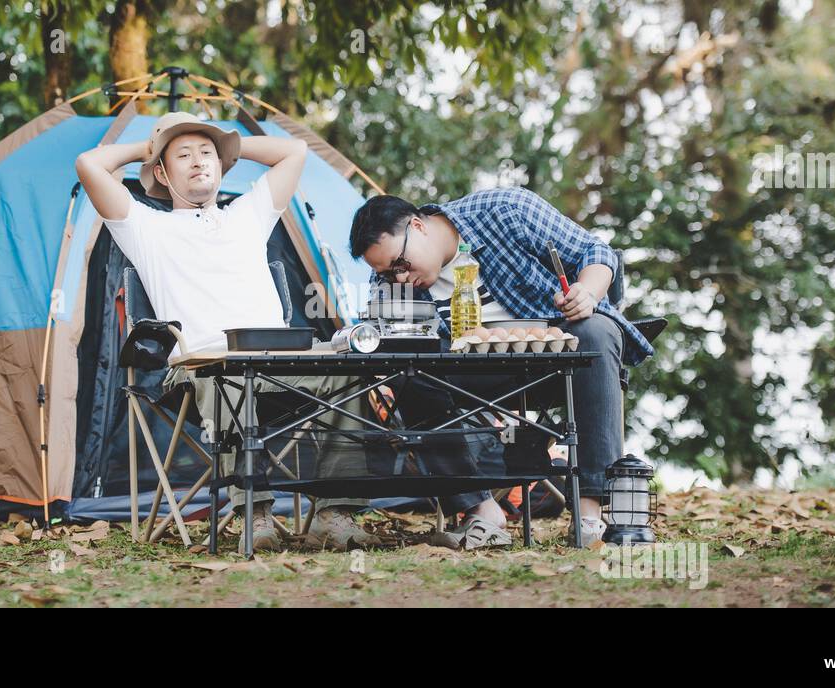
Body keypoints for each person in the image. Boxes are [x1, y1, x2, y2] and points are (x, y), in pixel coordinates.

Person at [75, 112, 381, 552]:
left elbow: (294, 151)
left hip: (280, 364)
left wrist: (228, 147)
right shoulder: (144, 226)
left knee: (348, 373)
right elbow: (88, 164)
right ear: (162, 172)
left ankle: (334, 514)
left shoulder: (248, 214)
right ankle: (256, 515)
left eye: (207, 154)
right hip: (205, 370)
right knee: (232, 377)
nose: (199, 161)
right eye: (183, 155)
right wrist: (151, 147)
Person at [348, 188, 654, 547]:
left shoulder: (504, 210)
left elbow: (595, 251)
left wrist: (587, 290)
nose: (399, 278)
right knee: (406, 367)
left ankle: (590, 515)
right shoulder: (393, 285)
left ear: (418, 225)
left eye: (400, 264)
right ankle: (480, 511)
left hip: (555, 359)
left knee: (597, 330)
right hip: (472, 373)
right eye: (387, 273)